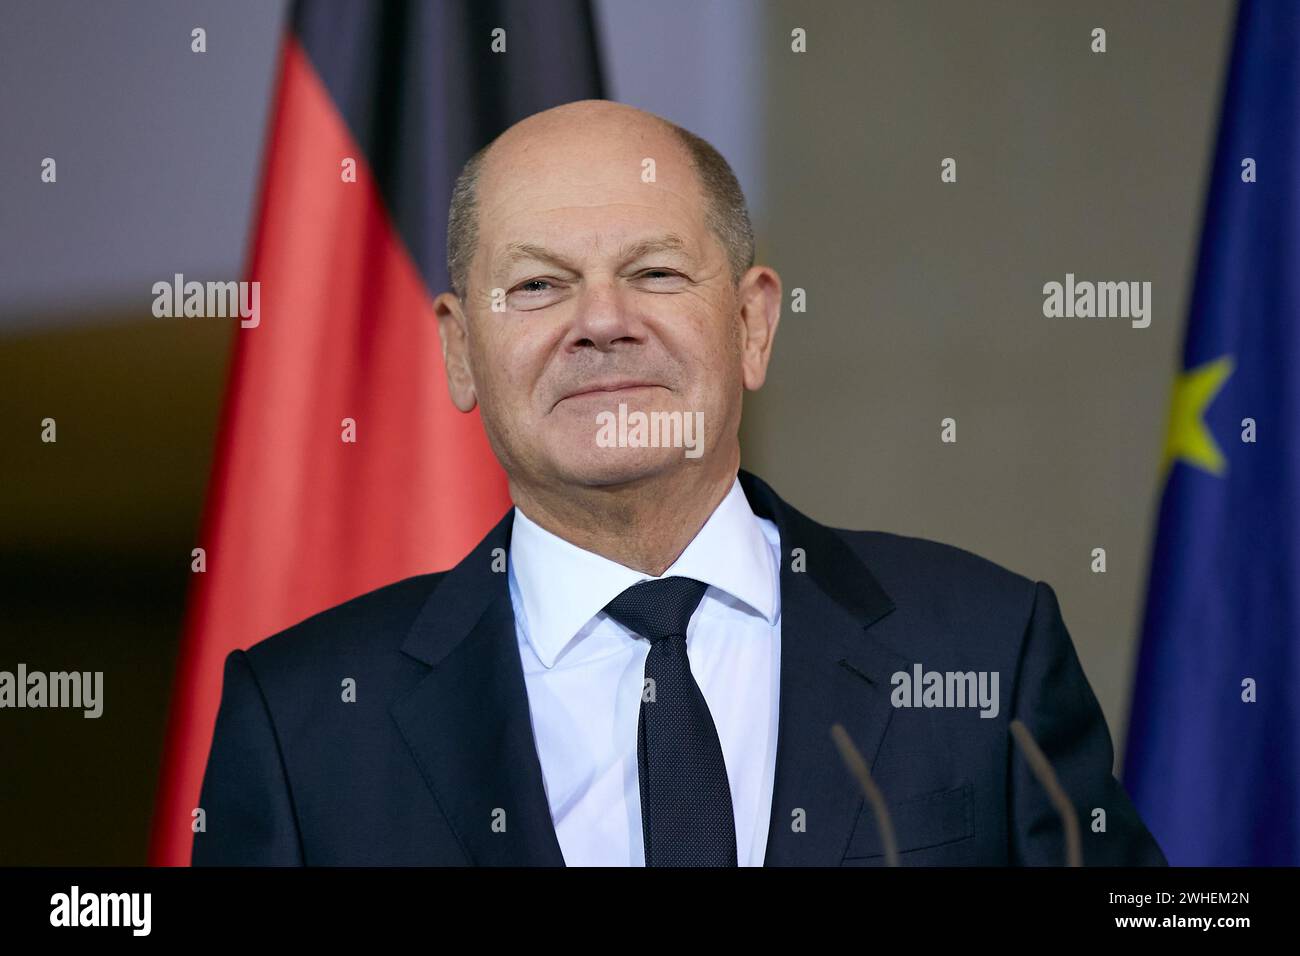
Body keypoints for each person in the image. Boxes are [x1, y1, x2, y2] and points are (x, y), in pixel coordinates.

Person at [192, 99, 1166, 867]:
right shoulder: (303, 721)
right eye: (537, 284)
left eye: (654, 271)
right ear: (457, 349)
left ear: (751, 323)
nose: (601, 319)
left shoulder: (987, 643)